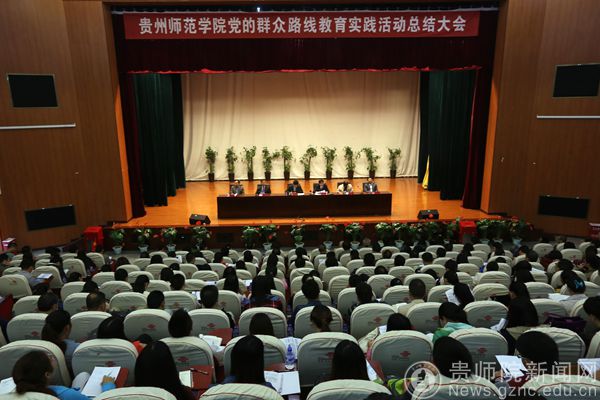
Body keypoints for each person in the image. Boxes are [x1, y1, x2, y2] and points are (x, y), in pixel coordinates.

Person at [12, 351, 115, 400]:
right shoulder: (64, 394)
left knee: (83, 376)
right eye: (49, 358)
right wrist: (108, 387)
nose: (52, 357)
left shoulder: (15, 393)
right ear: (47, 374)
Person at [502, 281, 539, 354]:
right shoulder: (529, 302)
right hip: (533, 329)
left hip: (517, 332)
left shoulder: (514, 303)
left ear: (513, 292)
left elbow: (511, 323)